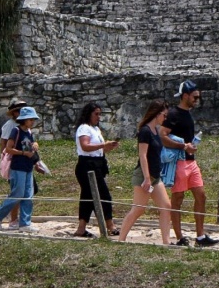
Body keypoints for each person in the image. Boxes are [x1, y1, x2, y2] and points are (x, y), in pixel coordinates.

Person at [160, 80, 219, 247]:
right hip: (179, 162)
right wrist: (183, 146)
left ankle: (200, 236)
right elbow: (162, 135)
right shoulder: (173, 114)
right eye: (195, 97)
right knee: (178, 198)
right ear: (185, 96)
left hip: (191, 162)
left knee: (201, 195)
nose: (197, 100)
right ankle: (180, 237)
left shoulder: (187, 114)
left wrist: (189, 146)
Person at [119, 100, 172, 244]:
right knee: (138, 209)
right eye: (164, 115)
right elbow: (143, 155)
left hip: (156, 176)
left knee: (166, 206)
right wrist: (147, 178)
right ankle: (121, 239)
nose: (165, 118)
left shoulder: (156, 130)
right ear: (157, 113)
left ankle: (166, 242)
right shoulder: (145, 131)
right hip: (144, 175)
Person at [73, 102, 120, 237]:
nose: (98, 117)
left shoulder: (95, 129)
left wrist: (108, 146)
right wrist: (103, 144)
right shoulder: (84, 128)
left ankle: (81, 229)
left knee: (88, 197)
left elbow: (99, 148)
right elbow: (85, 146)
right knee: (103, 195)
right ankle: (110, 225)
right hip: (87, 165)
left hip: (97, 163)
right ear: (89, 114)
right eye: (96, 114)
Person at [0, 106, 40, 232]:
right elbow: (8, 149)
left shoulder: (29, 133)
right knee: (17, 194)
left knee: (28, 195)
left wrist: (34, 148)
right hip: (18, 167)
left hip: (28, 167)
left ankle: (25, 223)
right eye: (30, 119)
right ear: (24, 120)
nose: (32, 122)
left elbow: (28, 148)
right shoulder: (16, 131)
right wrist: (23, 153)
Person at [0, 99, 27, 229]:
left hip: (23, 163)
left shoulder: (23, 127)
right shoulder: (10, 125)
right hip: (13, 162)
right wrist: (5, 161)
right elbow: (4, 144)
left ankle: (11, 213)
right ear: (14, 113)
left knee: (23, 191)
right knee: (16, 191)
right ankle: (12, 217)